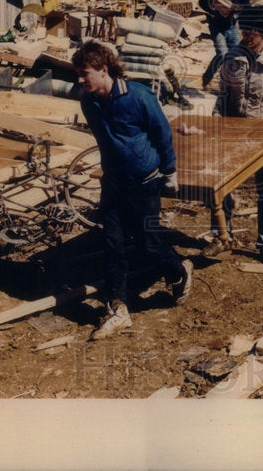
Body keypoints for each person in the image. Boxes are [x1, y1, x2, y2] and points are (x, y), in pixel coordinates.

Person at [72, 40, 192, 340]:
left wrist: (170, 171)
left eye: (84, 73)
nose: (80, 79)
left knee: (149, 244)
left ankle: (180, 272)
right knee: (113, 245)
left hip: (146, 184)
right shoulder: (88, 102)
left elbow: (162, 133)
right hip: (113, 185)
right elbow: (105, 141)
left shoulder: (137, 96)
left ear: (103, 69)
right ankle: (118, 310)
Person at [206, 4, 263, 265]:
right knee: (218, 187)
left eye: (252, 32)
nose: (246, 35)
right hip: (231, 133)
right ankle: (221, 237)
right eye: (243, 29)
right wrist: (217, 117)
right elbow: (223, 94)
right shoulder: (232, 58)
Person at [198, 0, 250, 89]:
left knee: (235, 56)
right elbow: (202, 2)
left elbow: (246, 4)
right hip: (216, 24)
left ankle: (229, 85)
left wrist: (238, 8)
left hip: (232, 24)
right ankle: (207, 77)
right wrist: (215, 9)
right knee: (222, 54)